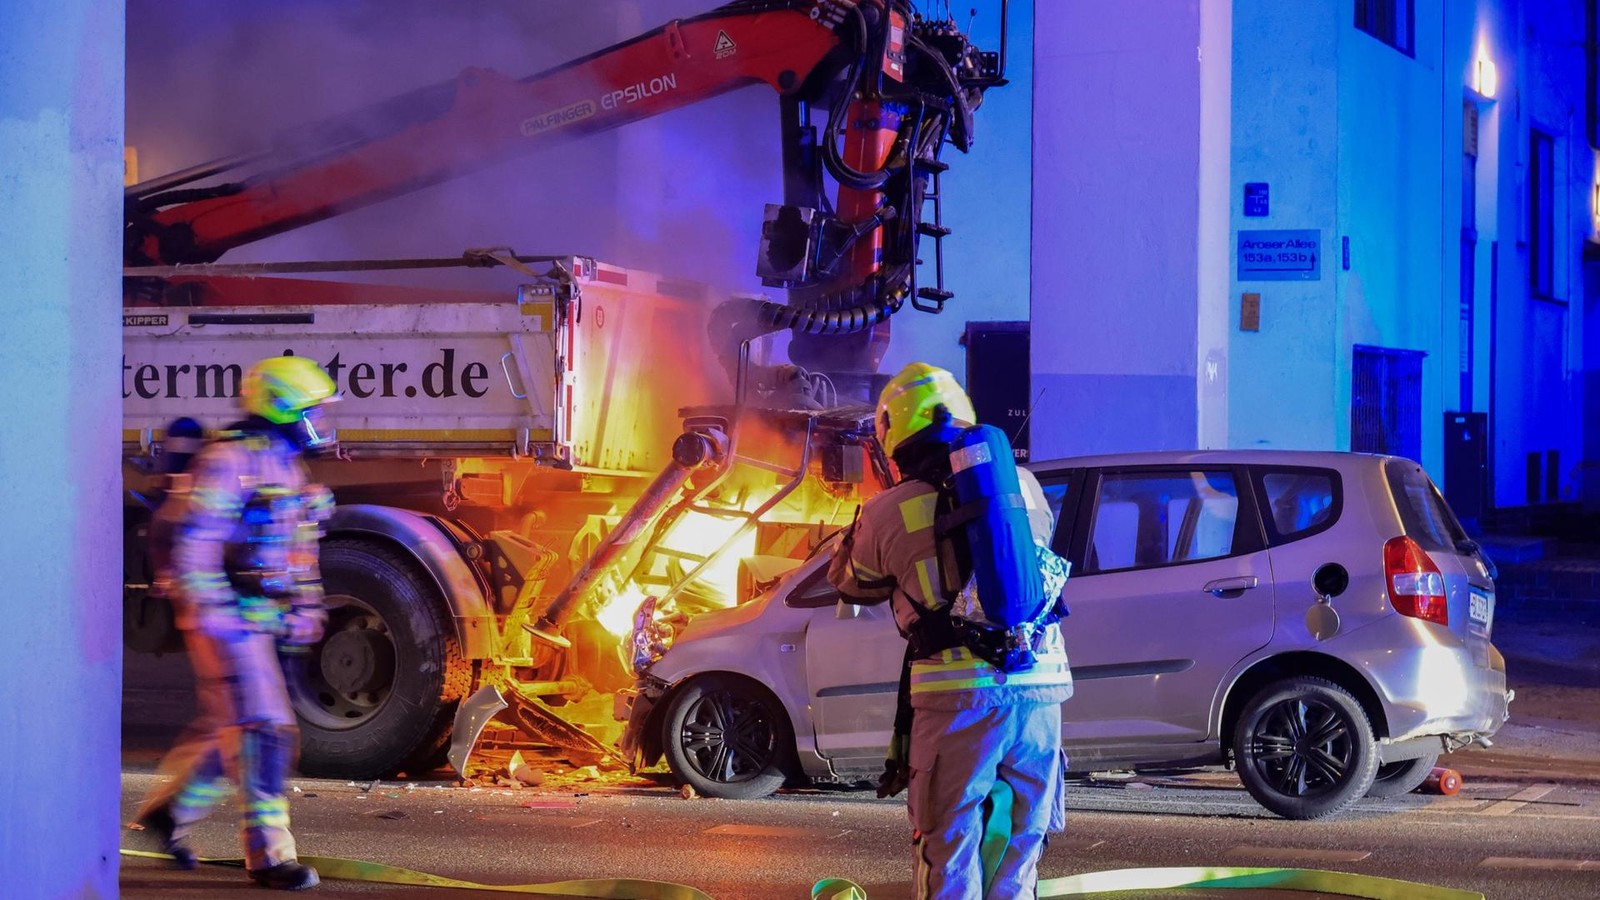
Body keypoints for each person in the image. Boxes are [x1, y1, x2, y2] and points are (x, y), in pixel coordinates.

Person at [828, 362, 1073, 900]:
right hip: (1041, 685)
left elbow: (851, 583)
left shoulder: (888, 508)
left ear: (894, 430)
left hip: (958, 698)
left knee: (950, 840)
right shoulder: (1025, 486)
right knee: (1022, 840)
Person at [133, 356, 339, 891]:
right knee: (265, 731)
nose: (318, 422)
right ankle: (269, 857)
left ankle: (170, 812)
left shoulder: (284, 464)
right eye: (311, 410)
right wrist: (219, 618)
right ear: (281, 406)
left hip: (252, 620)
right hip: (224, 622)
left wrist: (305, 609)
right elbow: (194, 548)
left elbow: (296, 552)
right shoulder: (228, 461)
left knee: (232, 727)